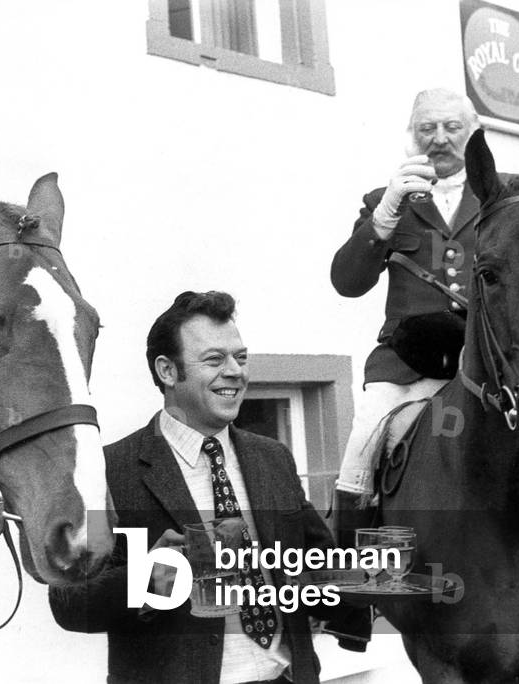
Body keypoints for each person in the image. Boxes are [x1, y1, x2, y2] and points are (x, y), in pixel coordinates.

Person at [49, 291, 369, 684]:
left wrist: (372, 578)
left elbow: (316, 565)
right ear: (168, 371)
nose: (235, 371)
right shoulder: (111, 471)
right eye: (215, 359)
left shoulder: (273, 457)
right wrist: (157, 575)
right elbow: (70, 604)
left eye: (241, 357)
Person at [329, 89, 481, 542]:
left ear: (473, 134)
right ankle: (352, 560)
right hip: (406, 363)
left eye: (452, 127)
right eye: (427, 129)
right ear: (411, 138)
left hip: (485, 361)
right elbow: (347, 282)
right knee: (363, 443)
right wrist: (383, 218)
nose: (439, 139)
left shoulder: (504, 195)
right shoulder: (387, 200)